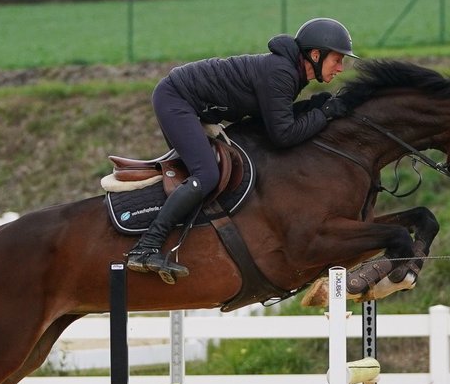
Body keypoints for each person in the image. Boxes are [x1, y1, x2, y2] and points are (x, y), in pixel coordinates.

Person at [126, 17, 357, 281]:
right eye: (337, 59)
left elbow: (274, 119)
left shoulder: (288, 72)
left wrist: (311, 109)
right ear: (316, 55)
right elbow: (283, 135)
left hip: (187, 101)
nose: (340, 67)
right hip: (176, 99)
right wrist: (324, 114)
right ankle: (145, 248)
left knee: (208, 178)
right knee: (207, 175)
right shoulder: (281, 73)